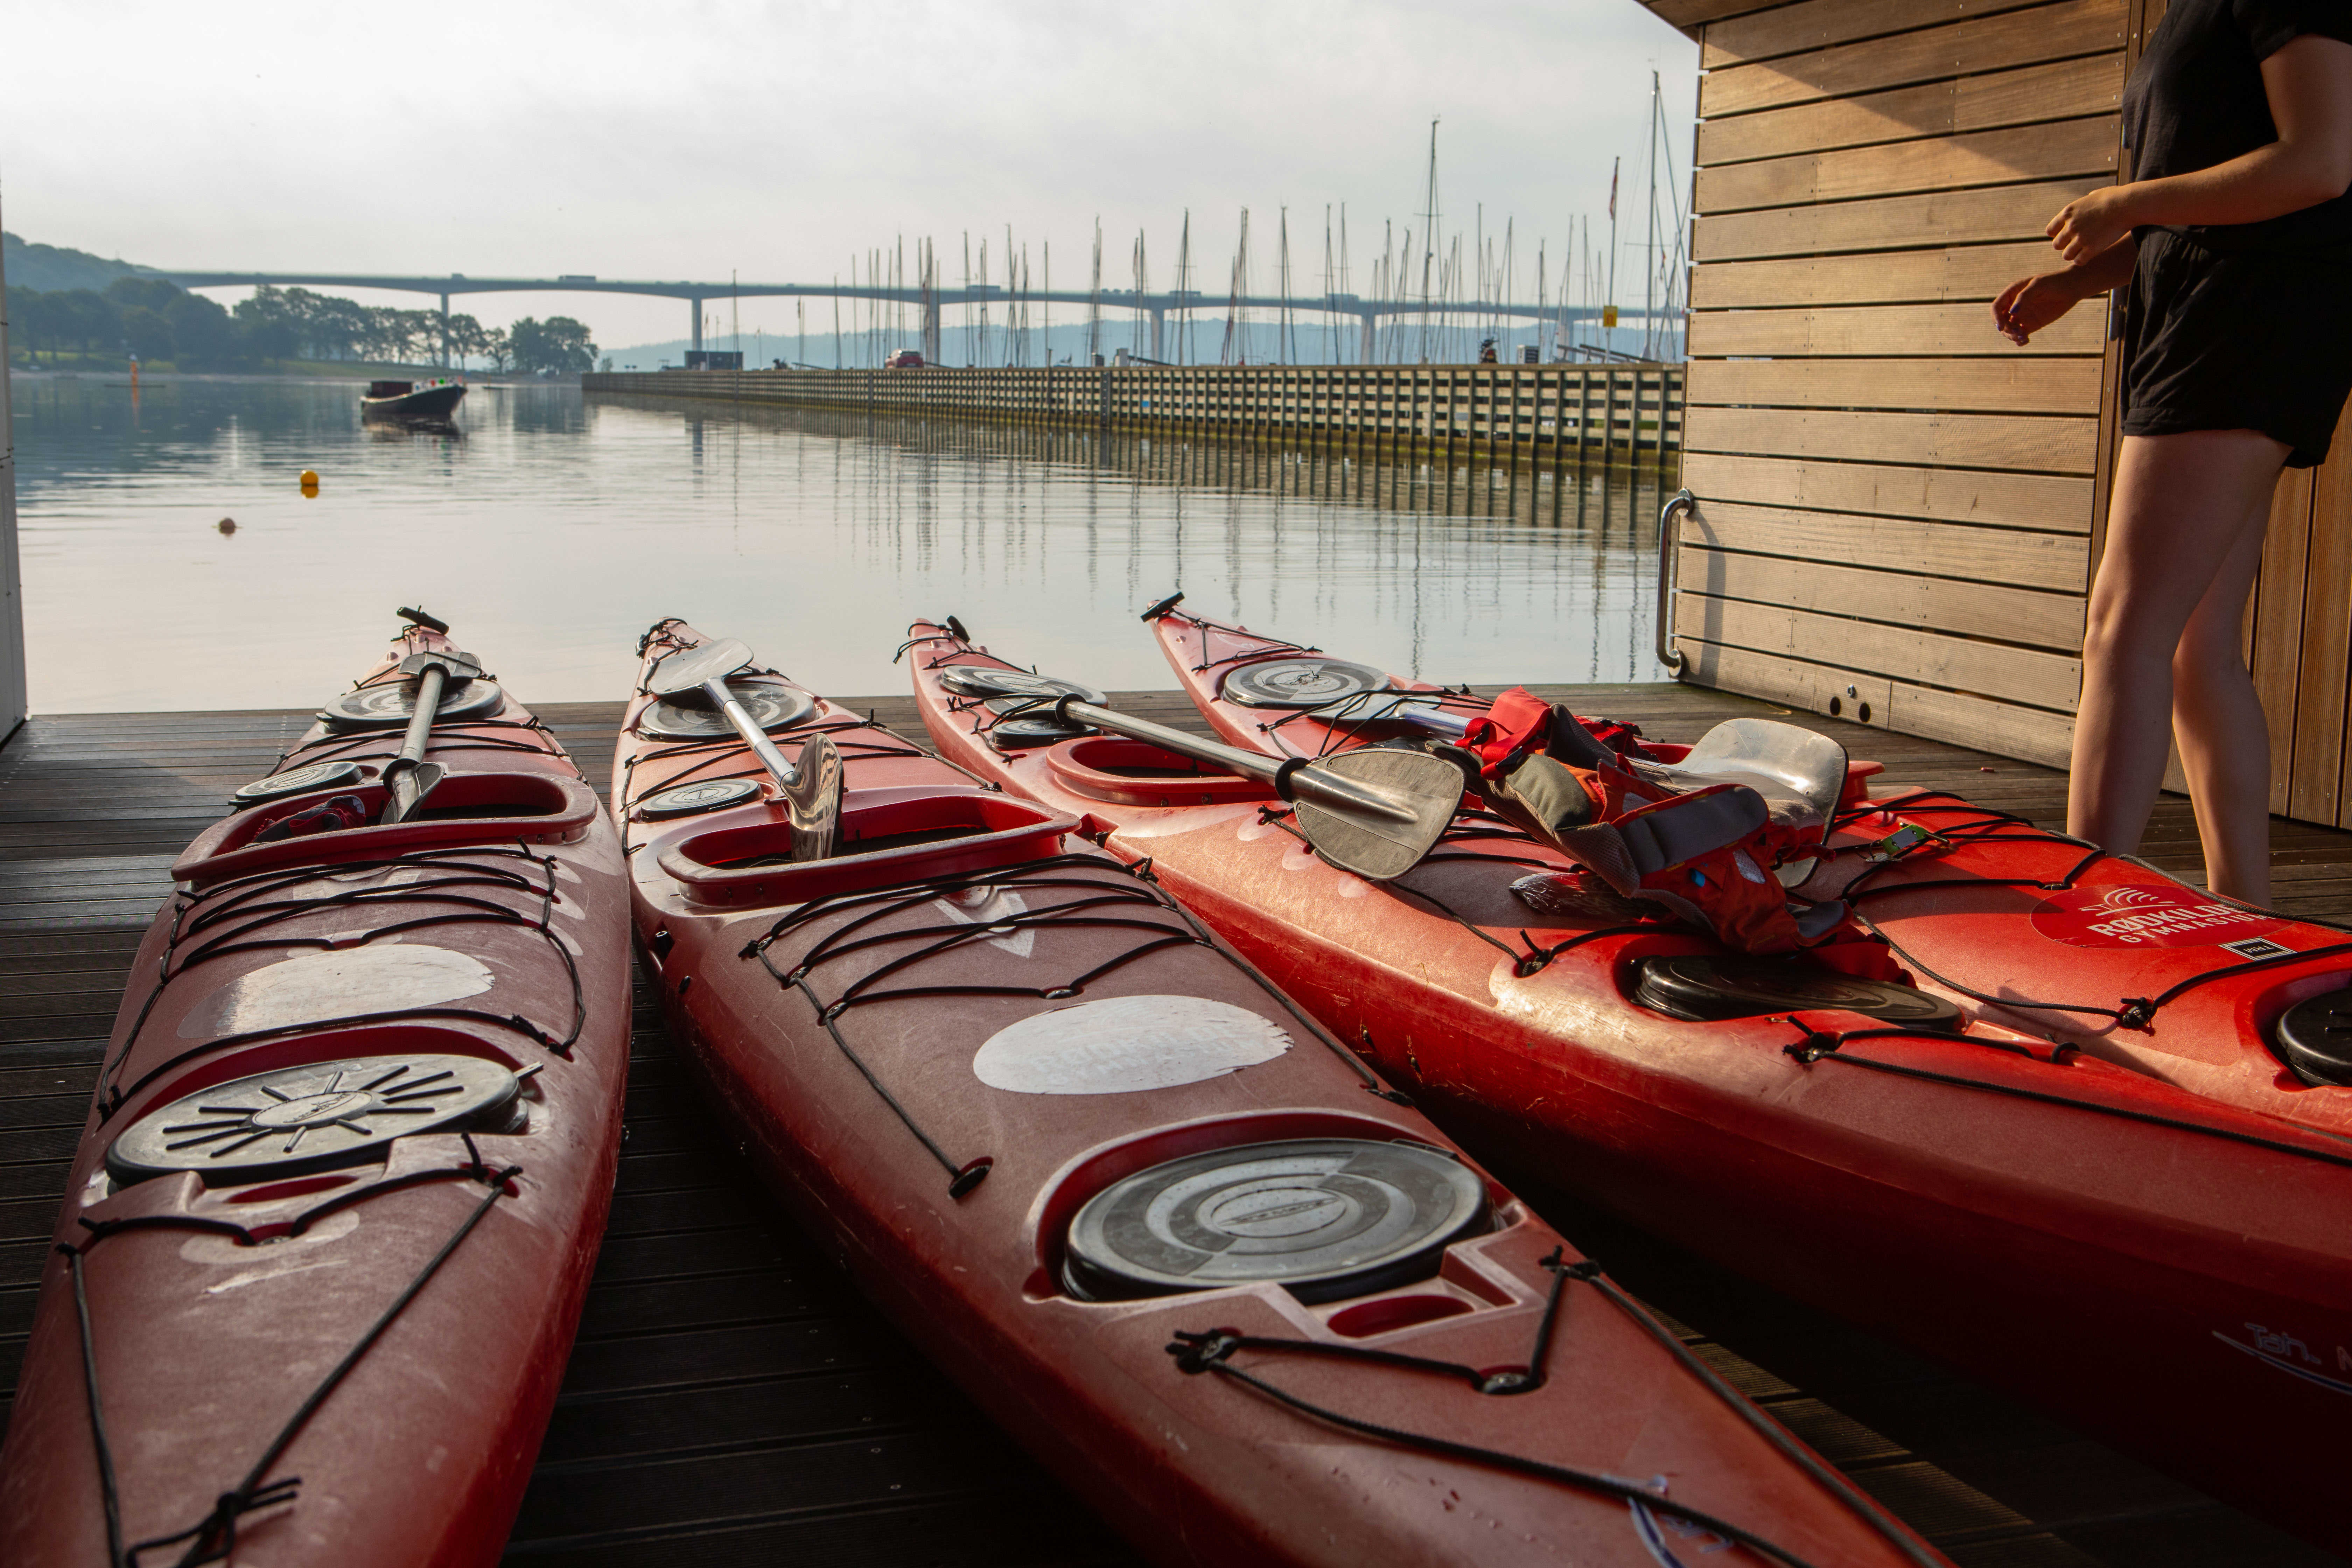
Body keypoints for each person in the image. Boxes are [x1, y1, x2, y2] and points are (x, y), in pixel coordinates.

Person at [1995, 4, 2352, 908]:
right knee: (2196, 646)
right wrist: (2081, 279)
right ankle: (2245, 912)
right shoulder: (2194, 13)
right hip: (2205, 324)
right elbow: (2203, 202)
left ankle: (2076, 913)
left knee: (2122, 629)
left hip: (2237, 330)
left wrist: (2126, 201)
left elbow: (2319, 161)